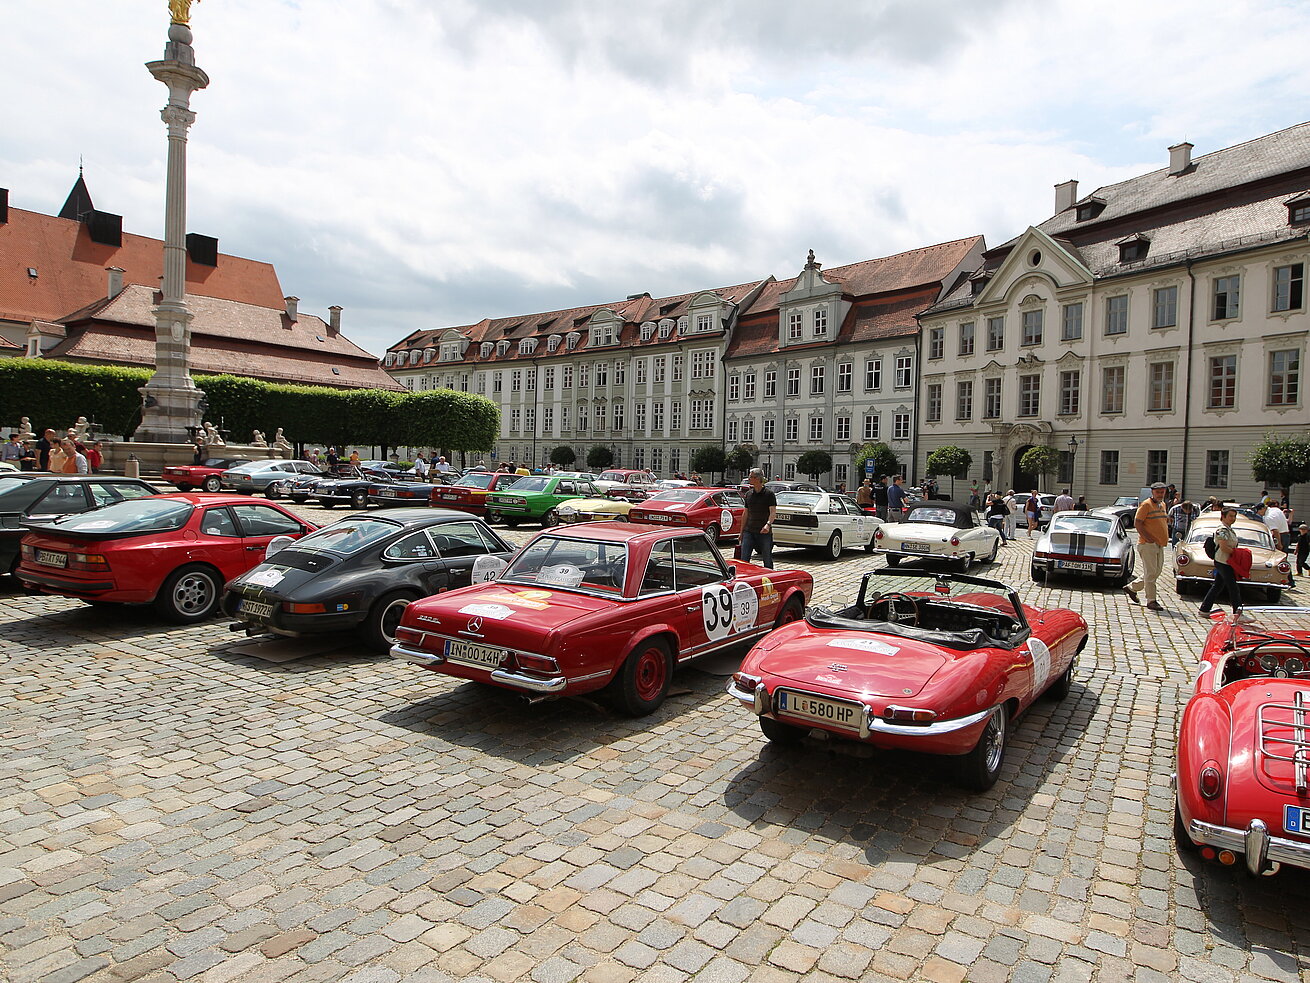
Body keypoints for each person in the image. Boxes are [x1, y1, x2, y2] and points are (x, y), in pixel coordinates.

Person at [1126, 482, 1169, 611]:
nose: (1160, 494)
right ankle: (1151, 600)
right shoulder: (1146, 505)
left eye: (1162, 492)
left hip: (1159, 543)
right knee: (1151, 573)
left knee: (1156, 572)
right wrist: (1148, 538)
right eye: (1158, 492)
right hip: (1147, 544)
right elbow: (1137, 523)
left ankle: (1132, 588)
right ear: (1152, 492)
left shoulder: (1162, 505)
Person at [1199, 507, 1246, 620]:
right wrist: (1238, 554)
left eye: (1234, 516)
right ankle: (1238, 613)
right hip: (1223, 561)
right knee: (1233, 587)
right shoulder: (1222, 530)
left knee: (1218, 586)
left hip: (1227, 561)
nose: (1233, 518)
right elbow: (1224, 547)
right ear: (1223, 516)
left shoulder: (1229, 530)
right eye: (1230, 516)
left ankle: (1204, 609)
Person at [740, 468, 776, 569]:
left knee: (767, 559)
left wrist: (768, 525)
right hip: (749, 531)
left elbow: (773, 512)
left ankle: (770, 577)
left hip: (764, 532)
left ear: (757, 478)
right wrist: (741, 532)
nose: (749, 479)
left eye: (751, 477)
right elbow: (745, 513)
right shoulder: (748, 494)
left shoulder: (769, 494)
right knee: (744, 559)